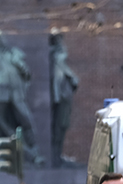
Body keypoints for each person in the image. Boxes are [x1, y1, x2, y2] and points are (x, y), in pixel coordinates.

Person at [0, 30, 42, 165]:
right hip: (0, 95)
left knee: (25, 119)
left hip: (16, 94)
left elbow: (26, 74)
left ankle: (34, 150)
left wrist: (19, 64)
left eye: (2, 38)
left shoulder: (14, 56)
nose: (2, 41)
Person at [49, 29, 79, 167]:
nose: (63, 45)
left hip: (64, 98)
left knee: (62, 127)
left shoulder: (60, 63)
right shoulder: (56, 58)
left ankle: (57, 156)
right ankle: (55, 157)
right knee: (58, 128)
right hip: (60, 99)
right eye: (59, 40)